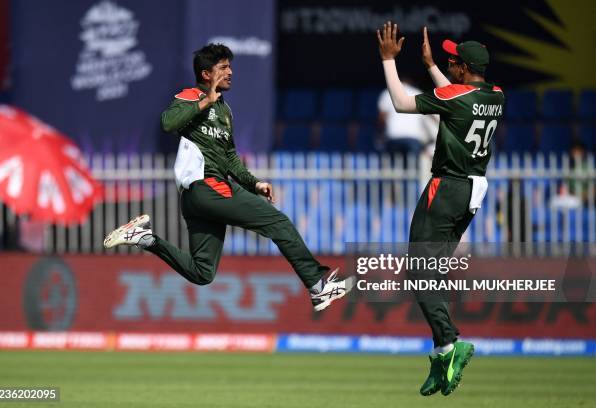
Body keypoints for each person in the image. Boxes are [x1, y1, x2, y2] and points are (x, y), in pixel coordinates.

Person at [103, 43, 355, 312]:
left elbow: (231, 158)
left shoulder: (225, 112)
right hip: (207, 186)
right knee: (278, 222)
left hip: (199, 198)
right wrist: (204, 101)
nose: (230, 72)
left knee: (202, 273)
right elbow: (167, 123)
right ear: (206, 75)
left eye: (230, 66)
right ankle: (318, 287)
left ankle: (146, 238)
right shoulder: (191, 95)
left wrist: (254, 183)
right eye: (223, 67)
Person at [377, 23, 504, 395]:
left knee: (418, 268)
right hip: (473, 191)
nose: (448, 61)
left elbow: (402, 103)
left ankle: (449, 344)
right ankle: (441, 354)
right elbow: (460, 95)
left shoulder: (458, 96)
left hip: (446, 187)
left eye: (453, 60)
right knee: (430, 272)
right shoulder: (497, 95)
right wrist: (434, 66)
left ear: (463, 68)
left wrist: (388, 60)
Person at [377, 79, 438, 157]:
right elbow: (430, 113)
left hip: (393, 135)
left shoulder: (387, 93)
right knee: (412, 167)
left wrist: (380, 134)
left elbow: (382, 117)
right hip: (413, 136)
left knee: (394, 166)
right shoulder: (417, 92)